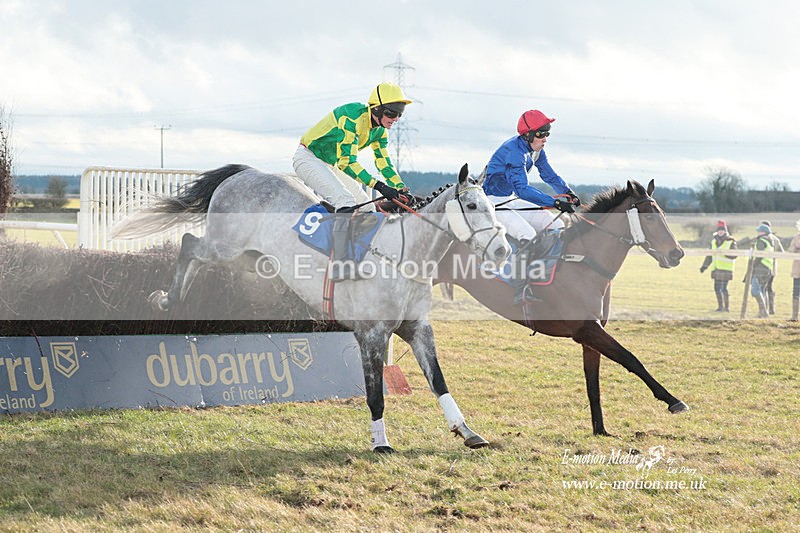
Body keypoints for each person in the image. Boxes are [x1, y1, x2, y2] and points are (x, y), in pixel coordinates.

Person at [293, 82, 411, 280]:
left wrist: (400, 188)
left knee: (368, 209)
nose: (396, 119)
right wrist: (380, 186)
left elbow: (384, 163)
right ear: (376, 109)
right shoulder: (352, 116)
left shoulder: (380, 131)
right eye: (392, 113)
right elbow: (347, 163)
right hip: (308, 158)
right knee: (346, 202)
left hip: (331, 164)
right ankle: (339, 265)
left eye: (400, 114)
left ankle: (355, 255)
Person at [483, 109, 579, 247]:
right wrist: (555, 203)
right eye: (541, 134)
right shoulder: (514, 152)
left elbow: (549, 175)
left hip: (510, 200)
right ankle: (514, 261)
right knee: (527, 234)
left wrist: (568, 192)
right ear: (528, 135)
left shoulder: (536, 150)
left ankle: (548, 261)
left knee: (557, 225)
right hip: (493, 202)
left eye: (547, 134)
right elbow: (522, 190)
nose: (545, 139)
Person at [700, 220, 737, 312]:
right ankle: (720, 307)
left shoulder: (731, 241)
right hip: (716, 269)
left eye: (722, 230)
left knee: (724, 288)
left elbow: (735, 255)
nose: (721, 232)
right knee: (717, 288)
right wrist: (704, 266)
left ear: (725, 231)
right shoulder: (713, 242)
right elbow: (709, 256)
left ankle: (726, 307)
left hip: (726, 269)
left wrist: (724, 253)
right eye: (719, 230)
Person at [748, 224, 774, 318]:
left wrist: (752, 265)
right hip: (768, 269)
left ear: (763, 232)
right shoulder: (769, 242)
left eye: (759, 231)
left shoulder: (761, 241)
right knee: (762, 290)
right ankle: (763, 312)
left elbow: (759, 255)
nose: (757, 232)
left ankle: (763, 312)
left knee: (755, 290)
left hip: (760, 268)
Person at [759, 219, 784, 314]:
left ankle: (765, 309)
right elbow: (781, 252)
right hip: (772, 267)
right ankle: (771, 309)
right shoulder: (775, 239)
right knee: (769, 287)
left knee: (764, 287)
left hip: (765, 266)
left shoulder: (766, 239)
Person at [788, 218, 800, 321]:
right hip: (797, 270)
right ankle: (794, 316)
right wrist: (796, 248)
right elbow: (790, 250)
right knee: (796, 292)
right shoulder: (796, 237)